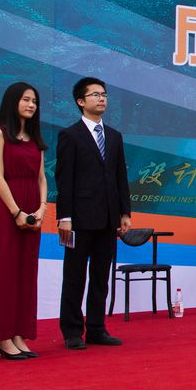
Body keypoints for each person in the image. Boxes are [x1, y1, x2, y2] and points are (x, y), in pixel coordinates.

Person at [56, 77, 132, 350]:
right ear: (81, 101)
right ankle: (72, 331)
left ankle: (97, 329)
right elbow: (64, 179)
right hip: (78, 219)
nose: (102, 99)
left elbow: (120, 176)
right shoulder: (70, 135)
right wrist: (64, 217)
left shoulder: (114, 136)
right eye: (95, 95)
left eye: (104, 95)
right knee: (74, 276)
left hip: (108, 218)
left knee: (101, 276)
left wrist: (125, 212)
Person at [0, 82, 47, 360]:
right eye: (26, 100)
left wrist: (42, 208)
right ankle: (2, 336)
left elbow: (42, 178)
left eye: (34, 101)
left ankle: (19, 333)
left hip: (33, 209)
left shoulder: (35, 139)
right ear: (12, 101)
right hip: (9, 209)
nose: (31, 105)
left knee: (26, 274)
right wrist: (17, 212)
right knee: (6, 273)